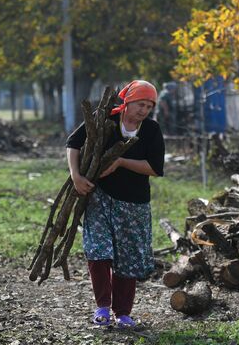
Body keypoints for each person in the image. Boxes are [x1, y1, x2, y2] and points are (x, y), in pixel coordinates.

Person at [65, 80, 165, 328]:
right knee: (98, 252)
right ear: (127, 101)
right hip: (100, 197)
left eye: (149, 106)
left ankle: (123, 313)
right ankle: (102, 308)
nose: (144, 110)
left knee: (127, 258)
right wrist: (76, 176)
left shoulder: (151, 130)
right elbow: (73, 143)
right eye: (140, 104)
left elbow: (154, 168)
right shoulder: (106, 120)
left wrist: (120, 161)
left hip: (134, 204)